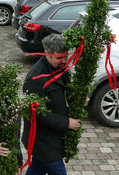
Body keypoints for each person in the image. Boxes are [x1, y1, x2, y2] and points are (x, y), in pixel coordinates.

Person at [22, 33, 81, 175]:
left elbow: (65, 90)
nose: (64, 61)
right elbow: (37, 114)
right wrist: (66, 122)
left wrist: (77, 97)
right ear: (47, 54)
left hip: (54, 136)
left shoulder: (61, 68)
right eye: (59, 57)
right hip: (42, 140)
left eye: (66, 56)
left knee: (37, 169)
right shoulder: (35, 78)